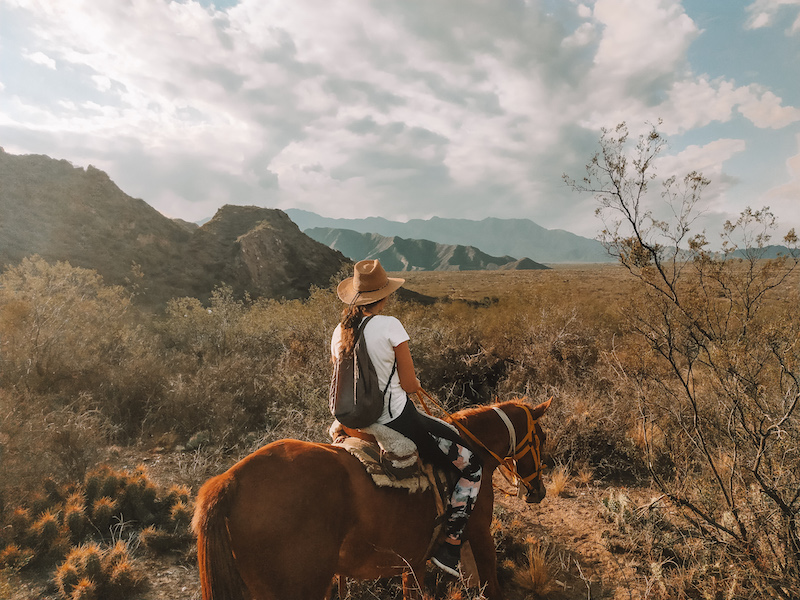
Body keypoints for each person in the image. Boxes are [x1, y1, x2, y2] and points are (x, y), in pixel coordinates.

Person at [331, 259, 483, 577]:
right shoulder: (390, 326)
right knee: (471, 466)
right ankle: (450, 546)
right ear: (384, 296)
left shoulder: (339, 330)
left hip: (351, 422)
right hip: (394, 420)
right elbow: (410, 385)